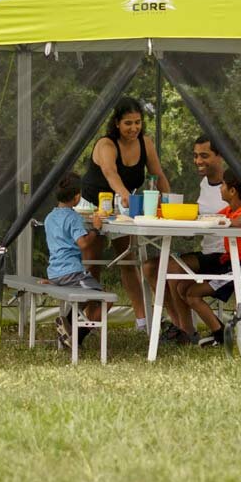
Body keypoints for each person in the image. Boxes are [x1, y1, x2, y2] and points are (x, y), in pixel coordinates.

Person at [149, 135, 241, 343]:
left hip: (232, 257)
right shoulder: (206, 185)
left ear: (220, 156)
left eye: (204, 155)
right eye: (195, 156)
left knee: (174, 272)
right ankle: (186, 330)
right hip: (212, 254)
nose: (198, 161)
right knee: (164, 267)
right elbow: (213, 216)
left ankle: (193, 331)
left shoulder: (236, 184)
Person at [79, 96, 171, 333]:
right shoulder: (106, 145)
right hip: (94, 205)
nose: (134, 128)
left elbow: (158, 174)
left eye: (138, 122)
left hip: (122, 209)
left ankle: (142, 320)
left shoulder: (146, 143)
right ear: (117, 123)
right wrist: (124, 195)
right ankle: (90, 319)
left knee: (129, 259)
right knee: (93, 261)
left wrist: (169, 202)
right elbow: (111, 173)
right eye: (128, 123)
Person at [181, 168, 241, 349]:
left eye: (223, 185)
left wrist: (225, 222)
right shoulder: (228, 209)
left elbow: (240, 222)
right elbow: (213, 217)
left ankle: (221, 334)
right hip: (228, 263)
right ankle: (220, 332)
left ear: (232, 191)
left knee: (193, 294)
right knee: (186, 290)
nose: (220, 188)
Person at [43, 173, 106, 350]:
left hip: (55, 272)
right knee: (105, 297)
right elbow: (84, 244)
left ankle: (68, 324)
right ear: (77, 197)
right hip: (71, 272)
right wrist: (96, 229)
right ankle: (76, 335)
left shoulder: (50, 217)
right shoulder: (73, 218)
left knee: (90, 293)